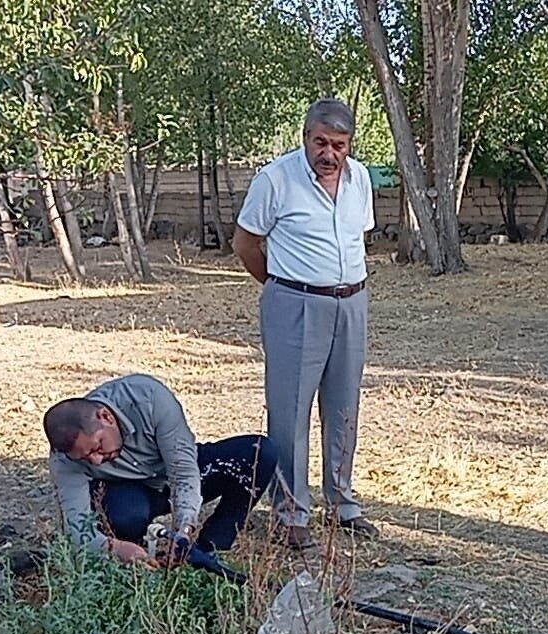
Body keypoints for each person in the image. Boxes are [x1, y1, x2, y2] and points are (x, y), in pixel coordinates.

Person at [231, 98, 379, 550]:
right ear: (305, 137)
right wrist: (283, 287)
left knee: (343, 408)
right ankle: (291, 513)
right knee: (291, 410)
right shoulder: (275, 179)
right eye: (320, 142)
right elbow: (245, 243)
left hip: (351, 302)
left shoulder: (361, 180)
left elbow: (358, 238)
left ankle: (342, 504)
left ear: (349, 144)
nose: (329, 153)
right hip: (295, 304)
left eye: (339, 144)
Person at [43, 373, 277, 564]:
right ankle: (137, 560)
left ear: (106, 417)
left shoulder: (148, 397)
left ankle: (208, 549)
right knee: (124, 517)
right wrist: (115, 548)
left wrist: (183, 529)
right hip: (127, 494)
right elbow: (77, 531)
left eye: (98, 447)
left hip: (170, 470)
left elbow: (184, 473)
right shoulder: (64, 460)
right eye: (85, 458)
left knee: (258, 454)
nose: (95, 461)